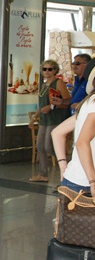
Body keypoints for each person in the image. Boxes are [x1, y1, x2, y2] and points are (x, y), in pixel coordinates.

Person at [52, 59, 95, 193]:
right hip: (86, 184)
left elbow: (57, 132)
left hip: (75, 179)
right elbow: (82, 143)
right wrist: (92, 181)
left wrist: (63, 165)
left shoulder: (88, 102)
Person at [28, 59, 71, 182]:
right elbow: (40, 105)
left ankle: (66, 164)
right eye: (44, 69)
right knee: (40, 146)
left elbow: (67, 101)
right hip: (44, 119)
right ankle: (43, 173)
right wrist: (34, 118)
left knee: (48, 146)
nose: (47, 71)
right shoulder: (44, 85)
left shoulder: (58, 83)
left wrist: (52, 107)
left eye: (50, 69)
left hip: (55, 118)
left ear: (55, 70)